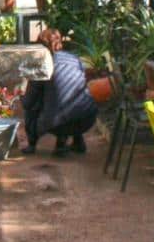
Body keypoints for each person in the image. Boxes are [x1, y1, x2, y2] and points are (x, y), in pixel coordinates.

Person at [21, 28, 99, 156]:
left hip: (58, 122)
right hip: (87, 117)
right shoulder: (74, 58)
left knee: (33, 104)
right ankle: (75, 141)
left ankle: (32, 144)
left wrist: (21, 97)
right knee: (68, 93)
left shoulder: (42, 64)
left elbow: (29, 102)